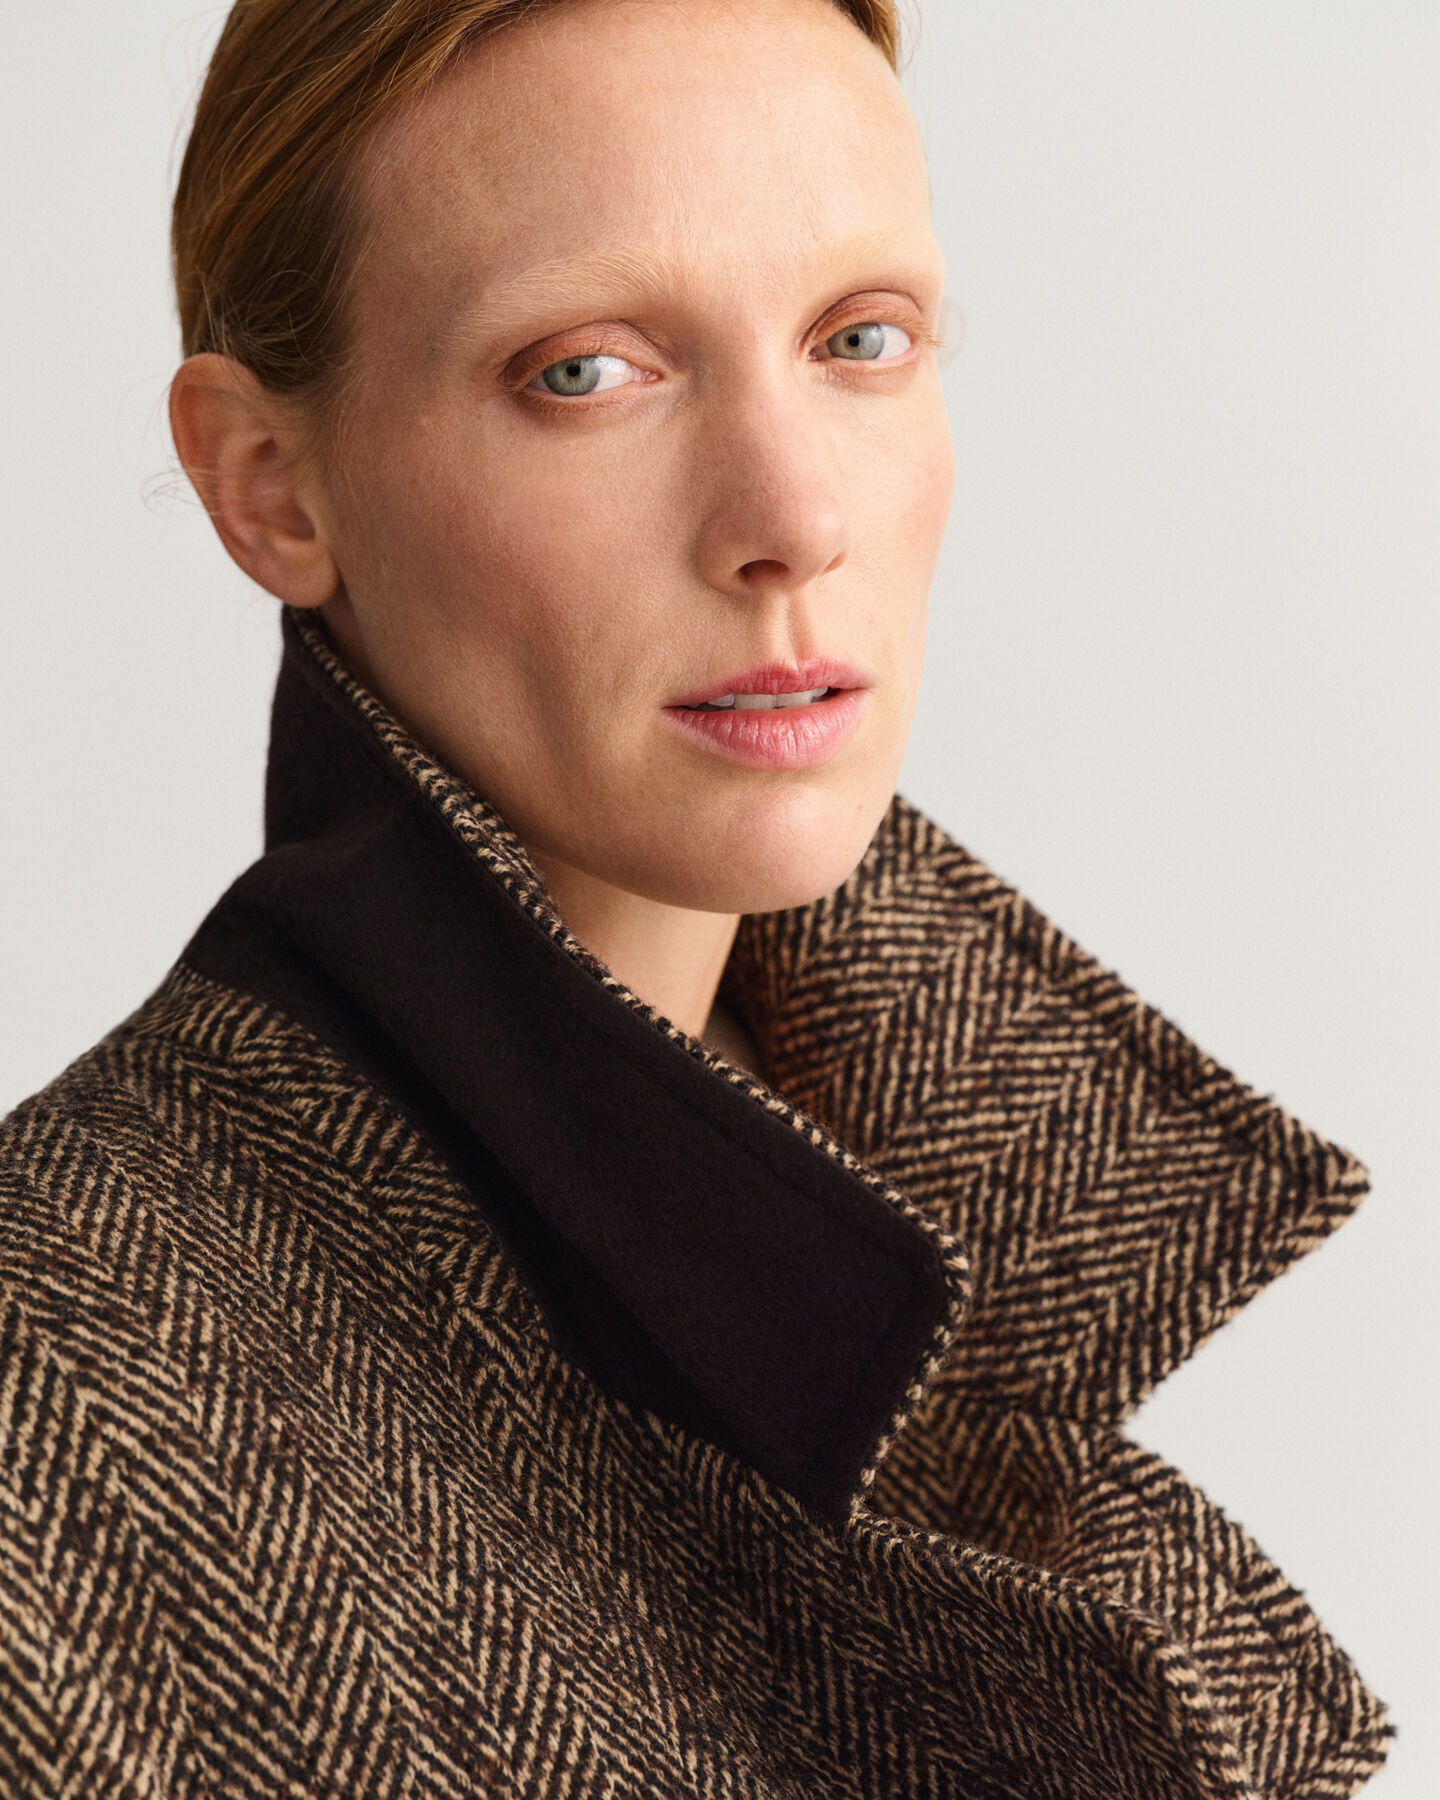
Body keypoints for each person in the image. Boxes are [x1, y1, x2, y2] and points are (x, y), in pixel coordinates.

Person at [0, 1, 1391, 1795]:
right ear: (269, 488)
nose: (794, 516)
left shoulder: (928, 1217)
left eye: (860, 339)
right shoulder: (57, 1407)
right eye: (587, 372)